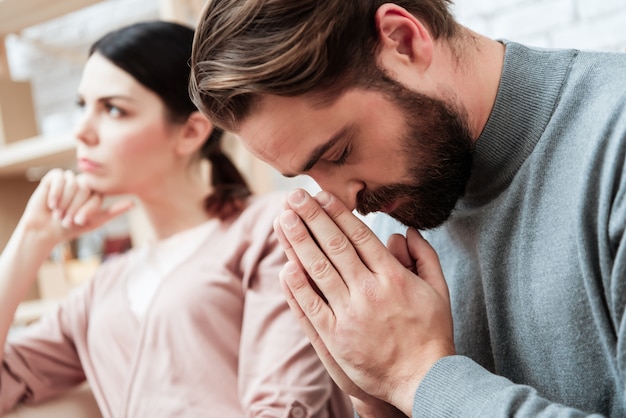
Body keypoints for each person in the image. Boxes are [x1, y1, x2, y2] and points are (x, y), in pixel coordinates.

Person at [189, 1, 626, 417]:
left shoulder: (614, 143)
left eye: (339, 152)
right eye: (308, 174)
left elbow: (421, 379)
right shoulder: (395, 216)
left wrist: (415, 376)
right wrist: (382, 403)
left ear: (403, 40)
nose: (345, 203)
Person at [0, 20, 353, 417]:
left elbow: (281, 407)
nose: (82, 131)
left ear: (191, 132)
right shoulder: (102, 289)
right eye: (82, 106)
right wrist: (31, 239)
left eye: (113, 109)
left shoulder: (273, 230)